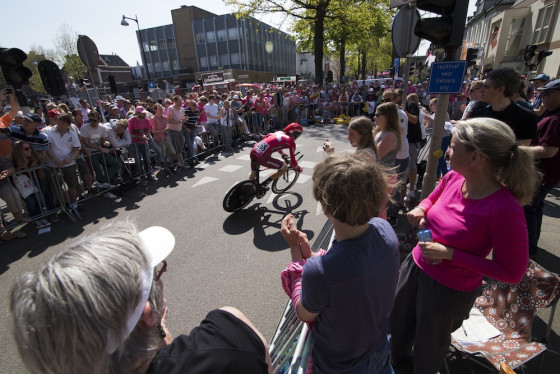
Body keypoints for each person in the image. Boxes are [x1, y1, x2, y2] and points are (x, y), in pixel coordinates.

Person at [10, 221, 272, 374]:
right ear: (146, 315)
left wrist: (154, 331)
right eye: (155, 275)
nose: (160, 279)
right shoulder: (226, 335)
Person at [390, 118, 539, 374]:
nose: (447, 150)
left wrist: (451, 254)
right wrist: (421, 207)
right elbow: (433, 198)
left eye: (454, 145)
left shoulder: (505, 208)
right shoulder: (453, 177)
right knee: (396, 329)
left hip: (447, 291)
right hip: (414, 268)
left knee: (428, 349)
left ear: (476, 158)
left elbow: (512, 272)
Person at [280, 153, 399, 373]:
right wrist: (313, 256)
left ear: (326, 207)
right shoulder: (386, 231)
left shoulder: (321, 273)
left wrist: (297, 257)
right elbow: (351, 269)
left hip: (340, 365)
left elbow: (304, 312)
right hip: (379, 350)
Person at [525, 78, 560, 259]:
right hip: (544, 174)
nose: (542, 97)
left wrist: (519, 149)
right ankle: (531, 246)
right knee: (535, 208)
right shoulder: (551, 114)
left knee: (528, 208)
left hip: (542, 174)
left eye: (548, 93)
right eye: (542, 93)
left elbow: (548, 151)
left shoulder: (556, 119)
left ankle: (529, 251)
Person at [472, 67, 537, 145]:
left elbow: (521, 152)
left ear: (500, 89)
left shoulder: (526, 118)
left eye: (486, 87)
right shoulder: (479, 112)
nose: (481, 91)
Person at [43, 113, 82, 210]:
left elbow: (77, 149)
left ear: (68, 124)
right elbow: (47, 148)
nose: (60, 125)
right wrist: (56, 161)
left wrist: (70, 159)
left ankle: (73, 202)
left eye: (63, 124)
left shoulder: (72, 134)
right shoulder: (48, 132)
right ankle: (64, 203)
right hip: (54, 165)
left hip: (69, 164)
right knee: (57, 186)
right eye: (59, 123)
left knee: (72, 184)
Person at [373, 103, 401, 167]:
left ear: (386, 117)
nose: (374, 117)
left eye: (377, 115)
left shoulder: (390, 135)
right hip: (377, 172)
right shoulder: (379, 131)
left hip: (384, 174)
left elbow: (375, 156)